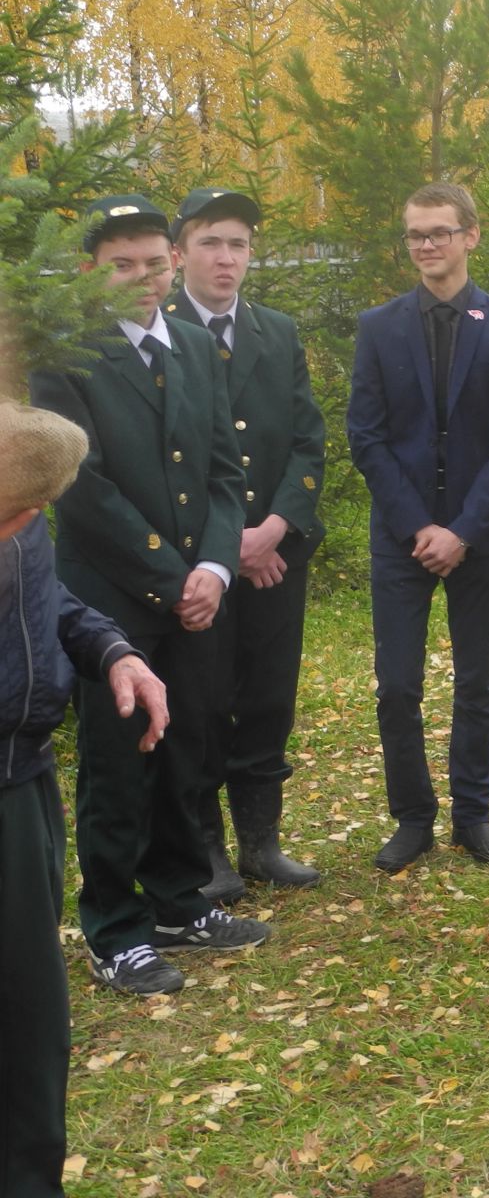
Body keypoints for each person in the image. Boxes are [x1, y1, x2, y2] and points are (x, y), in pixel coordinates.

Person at [30, 194, 269, 995]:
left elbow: (223, 476)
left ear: (174, 262)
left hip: (200, 594)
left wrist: (215, 570)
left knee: (189, 749)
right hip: (113, 602)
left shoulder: (197, 348)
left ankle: (177, 900)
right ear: (89, 272)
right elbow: (80, 489)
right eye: (119, 265)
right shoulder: (65, 359)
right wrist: (174, 577)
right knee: (119, 765)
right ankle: (114, 927)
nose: (141, 279)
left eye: (153, 262)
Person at [0, 399, 167, 1195]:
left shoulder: (20, 480)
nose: (28, 524)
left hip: (21, 784)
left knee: (29, 1020)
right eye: (16, 515)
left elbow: (51, 601)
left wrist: (112, 651)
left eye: (36, 514)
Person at [347, 182, 489, 873]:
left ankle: (473, 816)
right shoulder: (380, 327)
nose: (428, 245)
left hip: (479, 534)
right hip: (402, 534)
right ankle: (412, 817)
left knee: (477, 679)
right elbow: (366, 437)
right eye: (417, 234)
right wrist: (419, 524)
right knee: (397, 682)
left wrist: (463, 529)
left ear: (470, 236)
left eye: (441, 233)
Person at [165, 187, 326, 898]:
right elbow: (161, 461)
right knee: (200, 703)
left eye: (237, 244)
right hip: (198, 565)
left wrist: (276, 529)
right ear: (179, 255)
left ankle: (261, 842)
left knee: (267, 697)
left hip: (275, 556)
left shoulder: (276, 332)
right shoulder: (159, 331)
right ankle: (206, 851)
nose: (225, 258)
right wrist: (230, 549)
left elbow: (306, 443)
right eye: (210, 243)